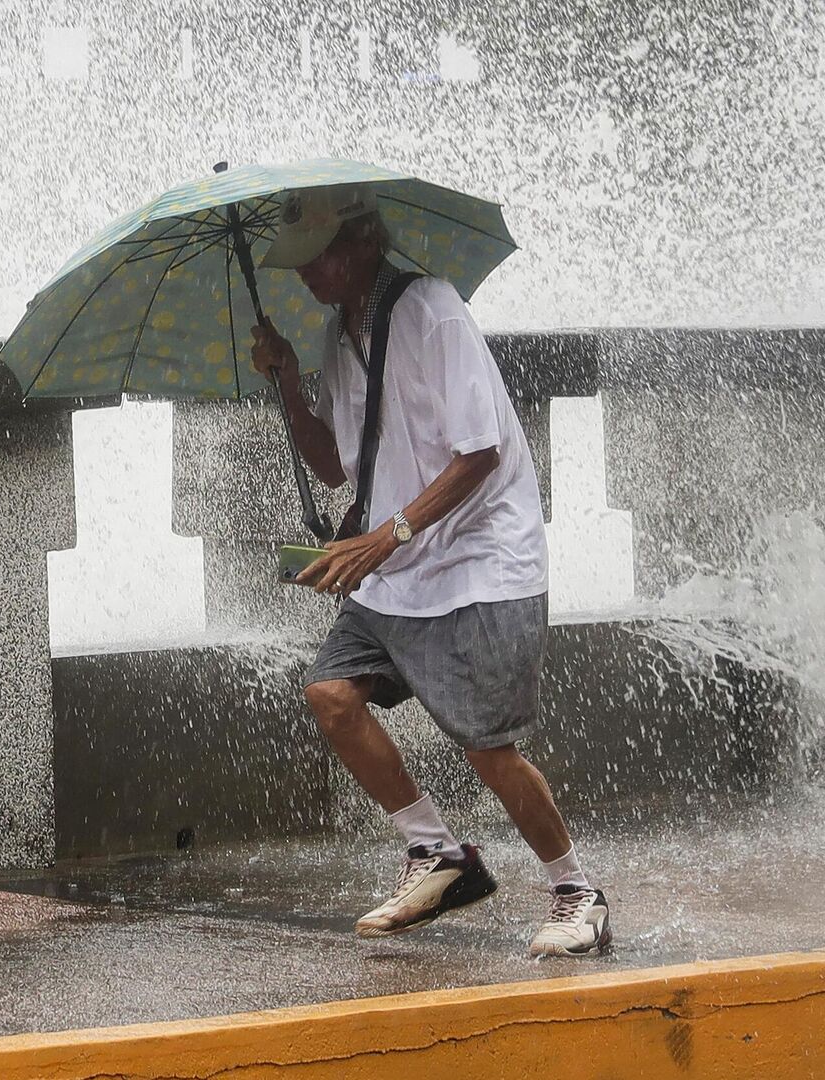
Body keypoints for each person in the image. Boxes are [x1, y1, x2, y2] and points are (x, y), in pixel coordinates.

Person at [248, 184, 611, 958]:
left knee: (486, 747)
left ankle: (577, 890)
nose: (305, 276)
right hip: (400, 566)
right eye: (298, 263)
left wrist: (388, 535)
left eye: (315, 259)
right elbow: (335, 466)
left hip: (481, 561)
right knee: (331, 696)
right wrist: (282, 375)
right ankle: (439, 853)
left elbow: (479, 451)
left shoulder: (431, 310)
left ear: (360, 244)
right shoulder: (333, 335)